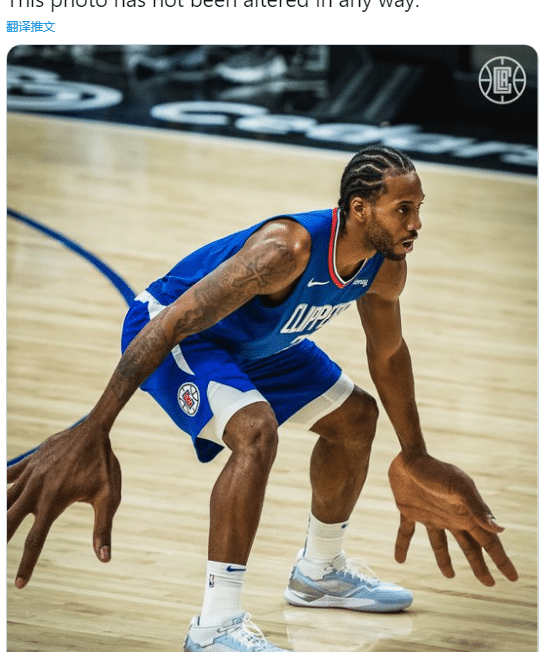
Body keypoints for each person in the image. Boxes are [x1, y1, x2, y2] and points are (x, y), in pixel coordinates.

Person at [7, 145, 518, 652]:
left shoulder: (384, 267)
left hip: (259, 343)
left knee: (356, 417)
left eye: (419, 209)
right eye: (403, 210)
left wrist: (416, 453)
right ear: (361, 209)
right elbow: (171, 323)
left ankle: (318, 573)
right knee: (256, 430)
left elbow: (387, 354)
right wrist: (95, 427)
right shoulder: (285, 252)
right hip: (178, 333)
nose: (416, 224)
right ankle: (215, 626)